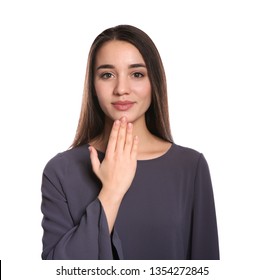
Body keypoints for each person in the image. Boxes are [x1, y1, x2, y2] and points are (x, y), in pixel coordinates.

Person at [41, 24, 219, 260]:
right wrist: (112, 191)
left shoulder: (190, 166)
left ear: (153, 82)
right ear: (93, 86)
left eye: (137, 74)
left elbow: (207, 267)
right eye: (107, 75)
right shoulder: (61, 171)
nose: (121, 89)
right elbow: (57, 271)